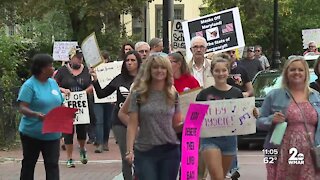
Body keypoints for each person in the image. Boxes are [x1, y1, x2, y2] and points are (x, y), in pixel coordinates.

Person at [257, 56, 320, 179]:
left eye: (300, 70)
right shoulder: (274, 95)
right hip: (283, 151)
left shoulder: (316, 96)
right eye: (292, 70)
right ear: (286, 72)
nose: (297, 73)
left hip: (311, 152)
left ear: (306, 73)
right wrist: (271, 120)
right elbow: (259, 122)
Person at [196, 56, 258, 180]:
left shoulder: (236, 93)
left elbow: (243, 115)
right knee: (218, 177)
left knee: (221, 177)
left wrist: (254, 113)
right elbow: (196, 118)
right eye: (217, 71)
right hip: (209, 140)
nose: (220, 73)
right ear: (212, 72)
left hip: (229, 140)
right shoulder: (203, 94)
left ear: (228, 72)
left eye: (224, 70)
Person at [125, 55, 183, 180]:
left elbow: (176, 126)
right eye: (155, 67)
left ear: (167, 70)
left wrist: (191, 123)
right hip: (145, 151)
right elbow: (132, 124)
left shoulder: (173, 94)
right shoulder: (138, 94)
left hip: (170, 150)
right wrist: (129, 150)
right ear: (149, 70)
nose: (159, 71)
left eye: (163, 67)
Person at [91, 50, 142, 180]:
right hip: (120, 121)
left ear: (138, 62)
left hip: (140, 122)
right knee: (127, 156)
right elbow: (102, 94)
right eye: (127, 60)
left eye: (133, 60)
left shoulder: (144, 79)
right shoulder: (119, 78)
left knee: (141, 154)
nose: (129, 63)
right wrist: (95, 80)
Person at [18, 54, 64, 180]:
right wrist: (35, 114)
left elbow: (60, 101)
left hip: (52, 133)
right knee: (29, 164)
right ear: (43, 69)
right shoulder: (29, 85)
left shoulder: (53, 83)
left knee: (52, 165)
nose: (53, 68)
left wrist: (65, 111)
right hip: (32, 133)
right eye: (51, 66)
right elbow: (22, 107)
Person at [54, 46, 93, 168]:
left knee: (82, 131)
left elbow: (92, 85)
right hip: (67, 104)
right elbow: (54, 84)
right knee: (68, 131)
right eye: (77, 58)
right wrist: (63, 90)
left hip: (83, 105)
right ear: (70, 58)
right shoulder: (62, 71)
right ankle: (69, 158)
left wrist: (86, 91)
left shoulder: (86, 70)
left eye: (81, 58)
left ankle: (82, 148)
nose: (79, 60)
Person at [92, 50, 115, 153]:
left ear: (107, 59)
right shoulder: (93, 69)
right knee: (99, 120)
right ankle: (100, 143)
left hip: (109, 98)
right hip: (97, 98)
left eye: (103, 59)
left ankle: (105, 141)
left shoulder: (111, 69)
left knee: (107, 121)